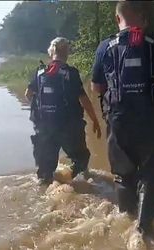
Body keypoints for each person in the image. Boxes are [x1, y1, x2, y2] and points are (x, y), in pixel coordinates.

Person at [91, 1, 154, 235]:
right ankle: (142, 230)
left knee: (123, 173)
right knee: (153, 172)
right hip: (153, 120)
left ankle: (125, 222)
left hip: (118, 120)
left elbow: (96, 88)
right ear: (141, 16)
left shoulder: (104, 47)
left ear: (117, 18)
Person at [25, 37, 101, 185]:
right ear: (66, 52)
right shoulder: (71, 73)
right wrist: (95, 121)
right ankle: (76, 183)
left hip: (44, 127)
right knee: (81, 159)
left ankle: (48, 188)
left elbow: (28, 94)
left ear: (51, 52)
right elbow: (84, 99)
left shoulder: (40, 72)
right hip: (69, 127)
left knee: (44, 172)